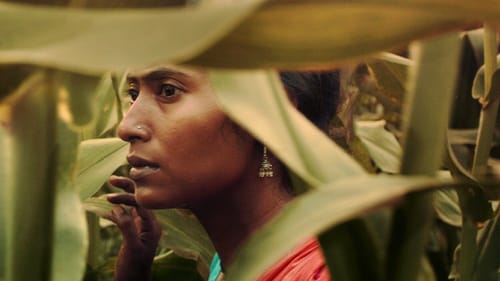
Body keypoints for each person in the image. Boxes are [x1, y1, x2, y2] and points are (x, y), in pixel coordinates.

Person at [105, 65, 339, 281]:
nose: (126, 128)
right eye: (134, 95)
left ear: (267, 114)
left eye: (168, 91)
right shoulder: (232, 262)